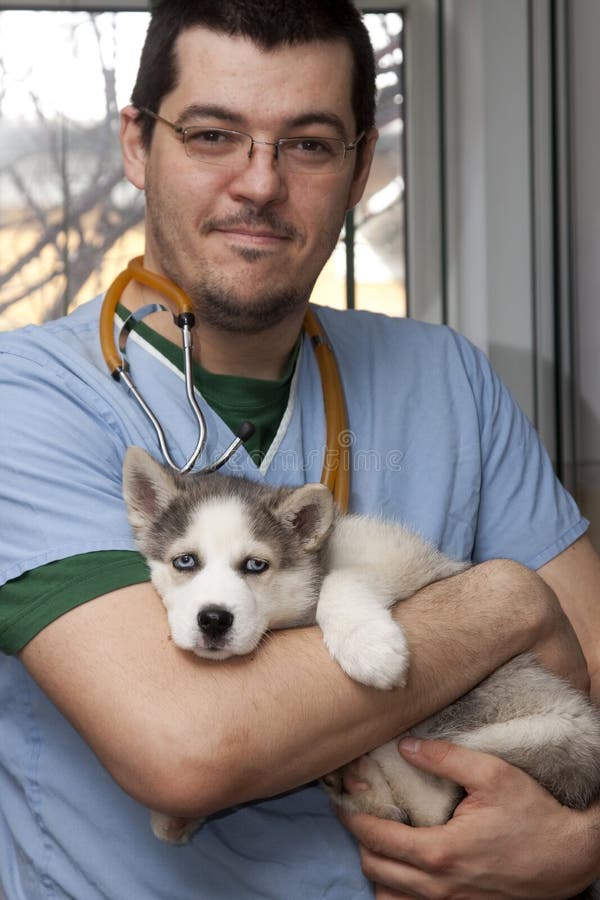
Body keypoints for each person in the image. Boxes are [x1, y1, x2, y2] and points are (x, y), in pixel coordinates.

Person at [1, 1, 599, 897]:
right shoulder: (27, 398)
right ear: (136, 143)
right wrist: (506, 606)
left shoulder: (447, 378)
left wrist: (584, 847)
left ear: (360, 167)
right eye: (212, 134)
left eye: (310, 144)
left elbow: (590, 675)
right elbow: (188, 752)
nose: (259, 185)